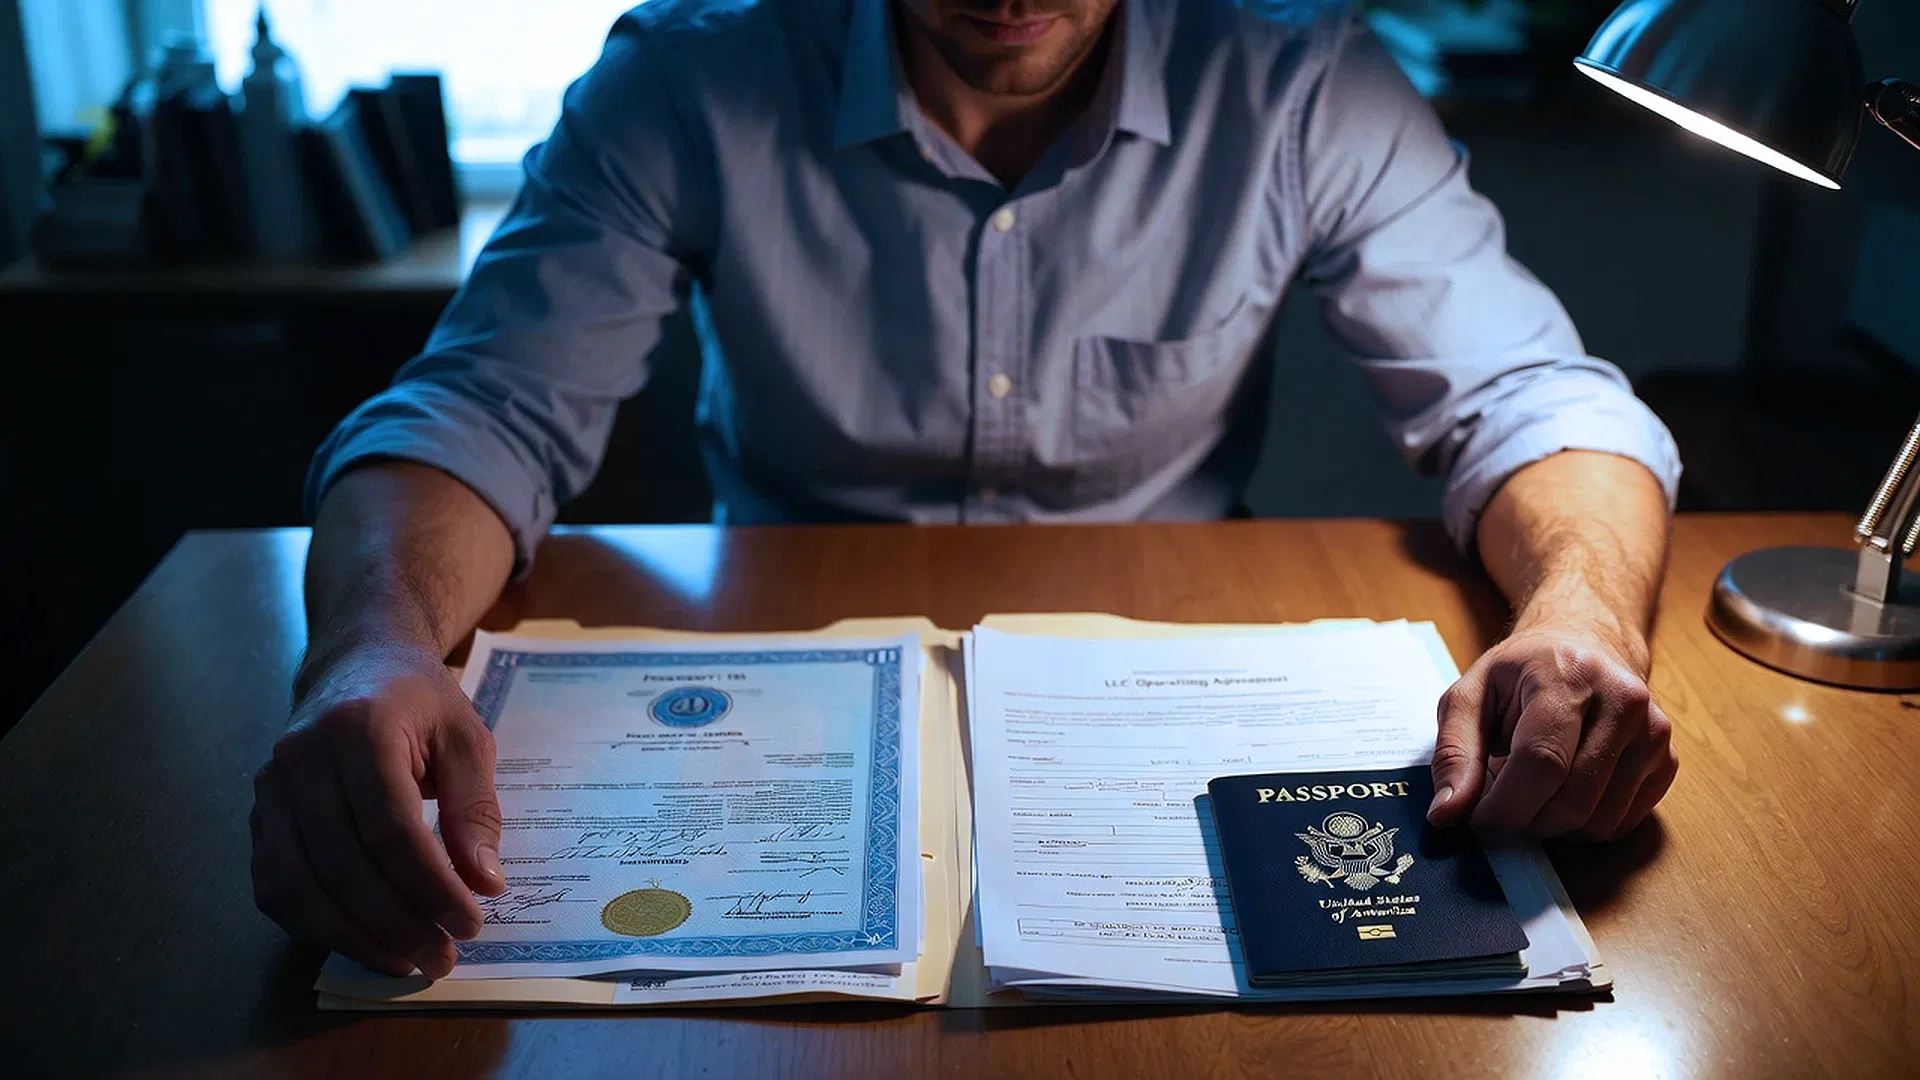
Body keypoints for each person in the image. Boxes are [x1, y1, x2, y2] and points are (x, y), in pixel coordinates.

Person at [251, 0, 1682, 979]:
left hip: (1167, 689)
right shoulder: (695, 71)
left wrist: (1585, 621)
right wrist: (369, 649)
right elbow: (481, 408)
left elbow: (1532, 400)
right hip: (778, 696)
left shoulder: (1302, 79)